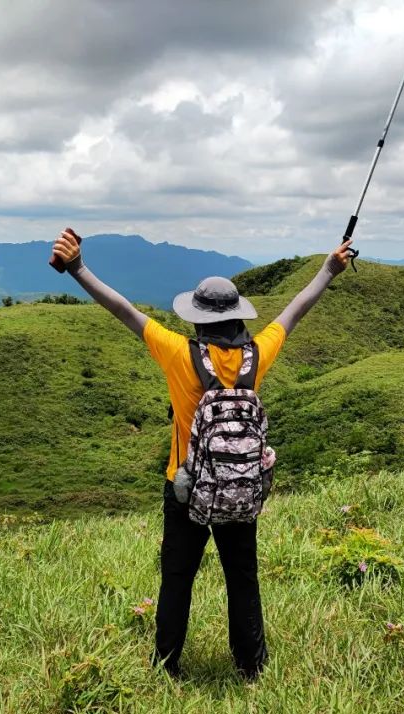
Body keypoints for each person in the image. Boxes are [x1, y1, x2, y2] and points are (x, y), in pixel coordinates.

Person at [50, 229, 353, 681]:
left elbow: (122, 309)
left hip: (185, 487)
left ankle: (168, 666)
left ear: (198, 319)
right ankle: (251, 666)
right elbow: (295, 310)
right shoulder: (256, 355)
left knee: (177, 580)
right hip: (240, 488)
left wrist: (77, 268)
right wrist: (330, 267)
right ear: (236, 318)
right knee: (242, 581)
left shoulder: (178, 353)